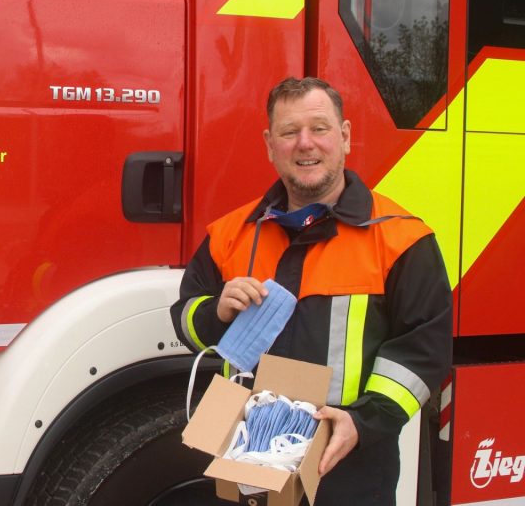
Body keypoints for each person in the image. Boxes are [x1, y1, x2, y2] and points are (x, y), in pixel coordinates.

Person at [170, 77, 452, 505]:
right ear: (269, 144)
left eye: (319, 128)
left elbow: (424, 351)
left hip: (350, 468)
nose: (306, 144)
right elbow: (187, 322)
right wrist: (217, 314)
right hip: (251, 463)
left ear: (345, 136)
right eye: (289, 132)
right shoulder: (229, 235)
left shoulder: (400, 240)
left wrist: (363, 421)